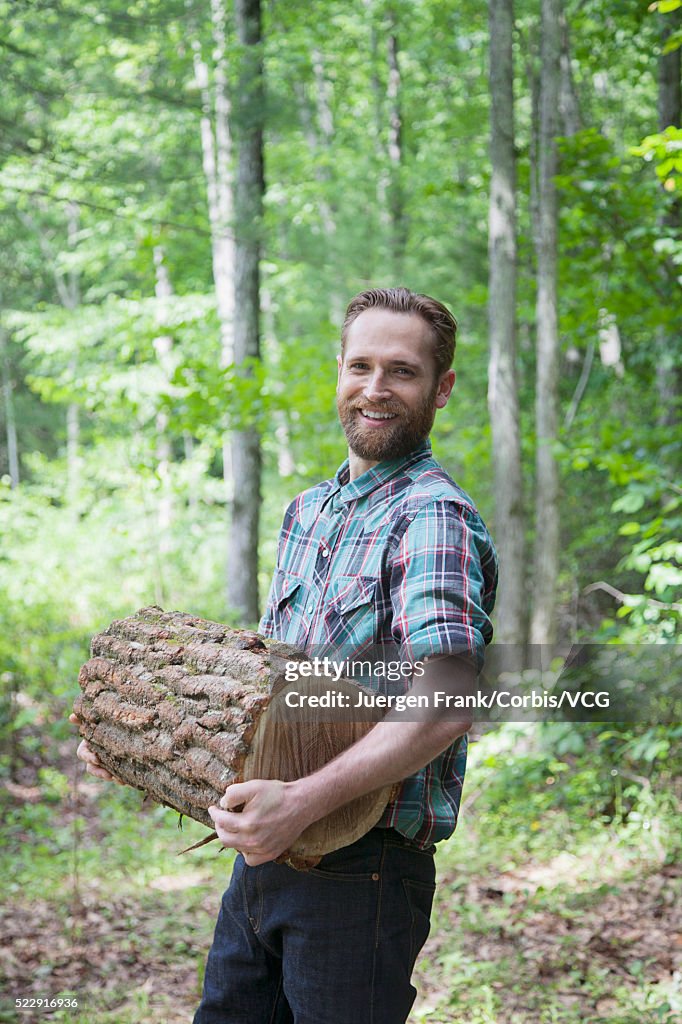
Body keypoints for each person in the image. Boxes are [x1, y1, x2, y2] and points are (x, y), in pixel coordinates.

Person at [74, 287, 498, 1024]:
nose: (375, 388)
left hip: (362, 870)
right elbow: (269, 698)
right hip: (266, 859)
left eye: (401, 371)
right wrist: (139, 741)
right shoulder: (310, 511)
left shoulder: (432, 516)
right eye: (360, 366)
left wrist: (303, 802)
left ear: (442, 389)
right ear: (338, 372)